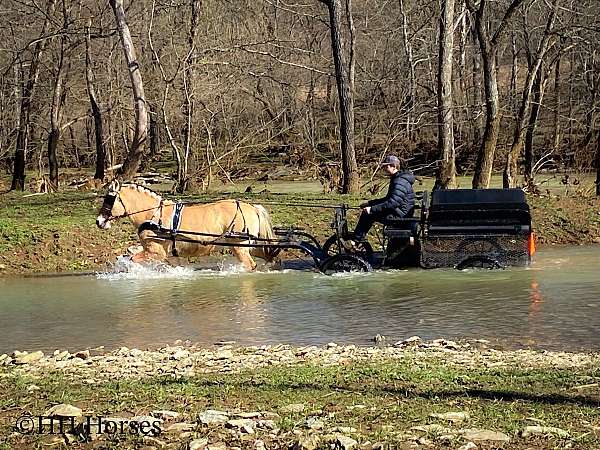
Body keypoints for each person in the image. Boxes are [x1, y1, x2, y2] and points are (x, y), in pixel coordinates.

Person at [349, 155, 415, 243]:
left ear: (394, 166)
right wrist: (370, 203)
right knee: (368, 213)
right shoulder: (398, 178)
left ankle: (355, 241)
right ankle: (357, 239)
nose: (383, 168)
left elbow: (392, 203)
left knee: (367, 215)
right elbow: (388, 199)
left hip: (400, 216)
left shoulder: (400, 181)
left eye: (386, 166)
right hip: (400, 212)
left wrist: (372, 209)